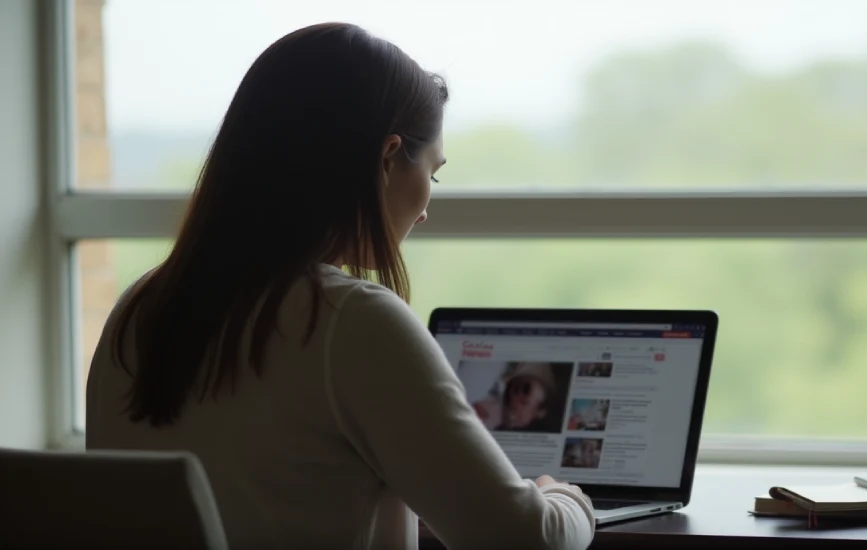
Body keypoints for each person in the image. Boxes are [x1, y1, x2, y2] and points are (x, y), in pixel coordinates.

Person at [84, 22, 595, 550]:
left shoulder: (140, 306)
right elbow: (524, 537)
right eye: (432, 174)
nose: (425, 209)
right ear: (387, 156)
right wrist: (567, 499)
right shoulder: (350, 322)